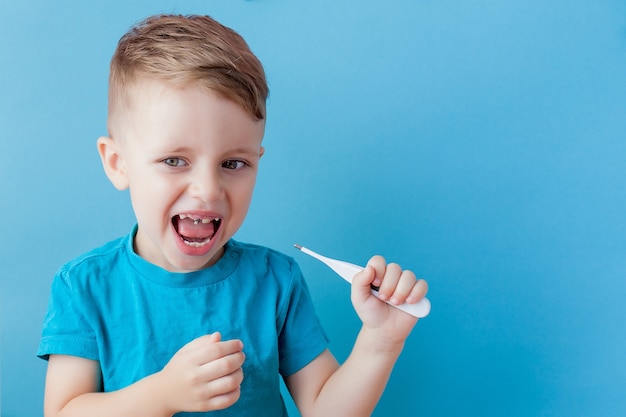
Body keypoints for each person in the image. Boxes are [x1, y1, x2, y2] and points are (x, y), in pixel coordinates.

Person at [38, 14, 429, 417]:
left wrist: (380, 342)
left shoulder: (275, 281)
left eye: (233, 163)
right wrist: (161, 395)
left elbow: (325, 410)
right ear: (118, 163)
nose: (208, 190)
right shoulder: (83, 287)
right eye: (175, 160)